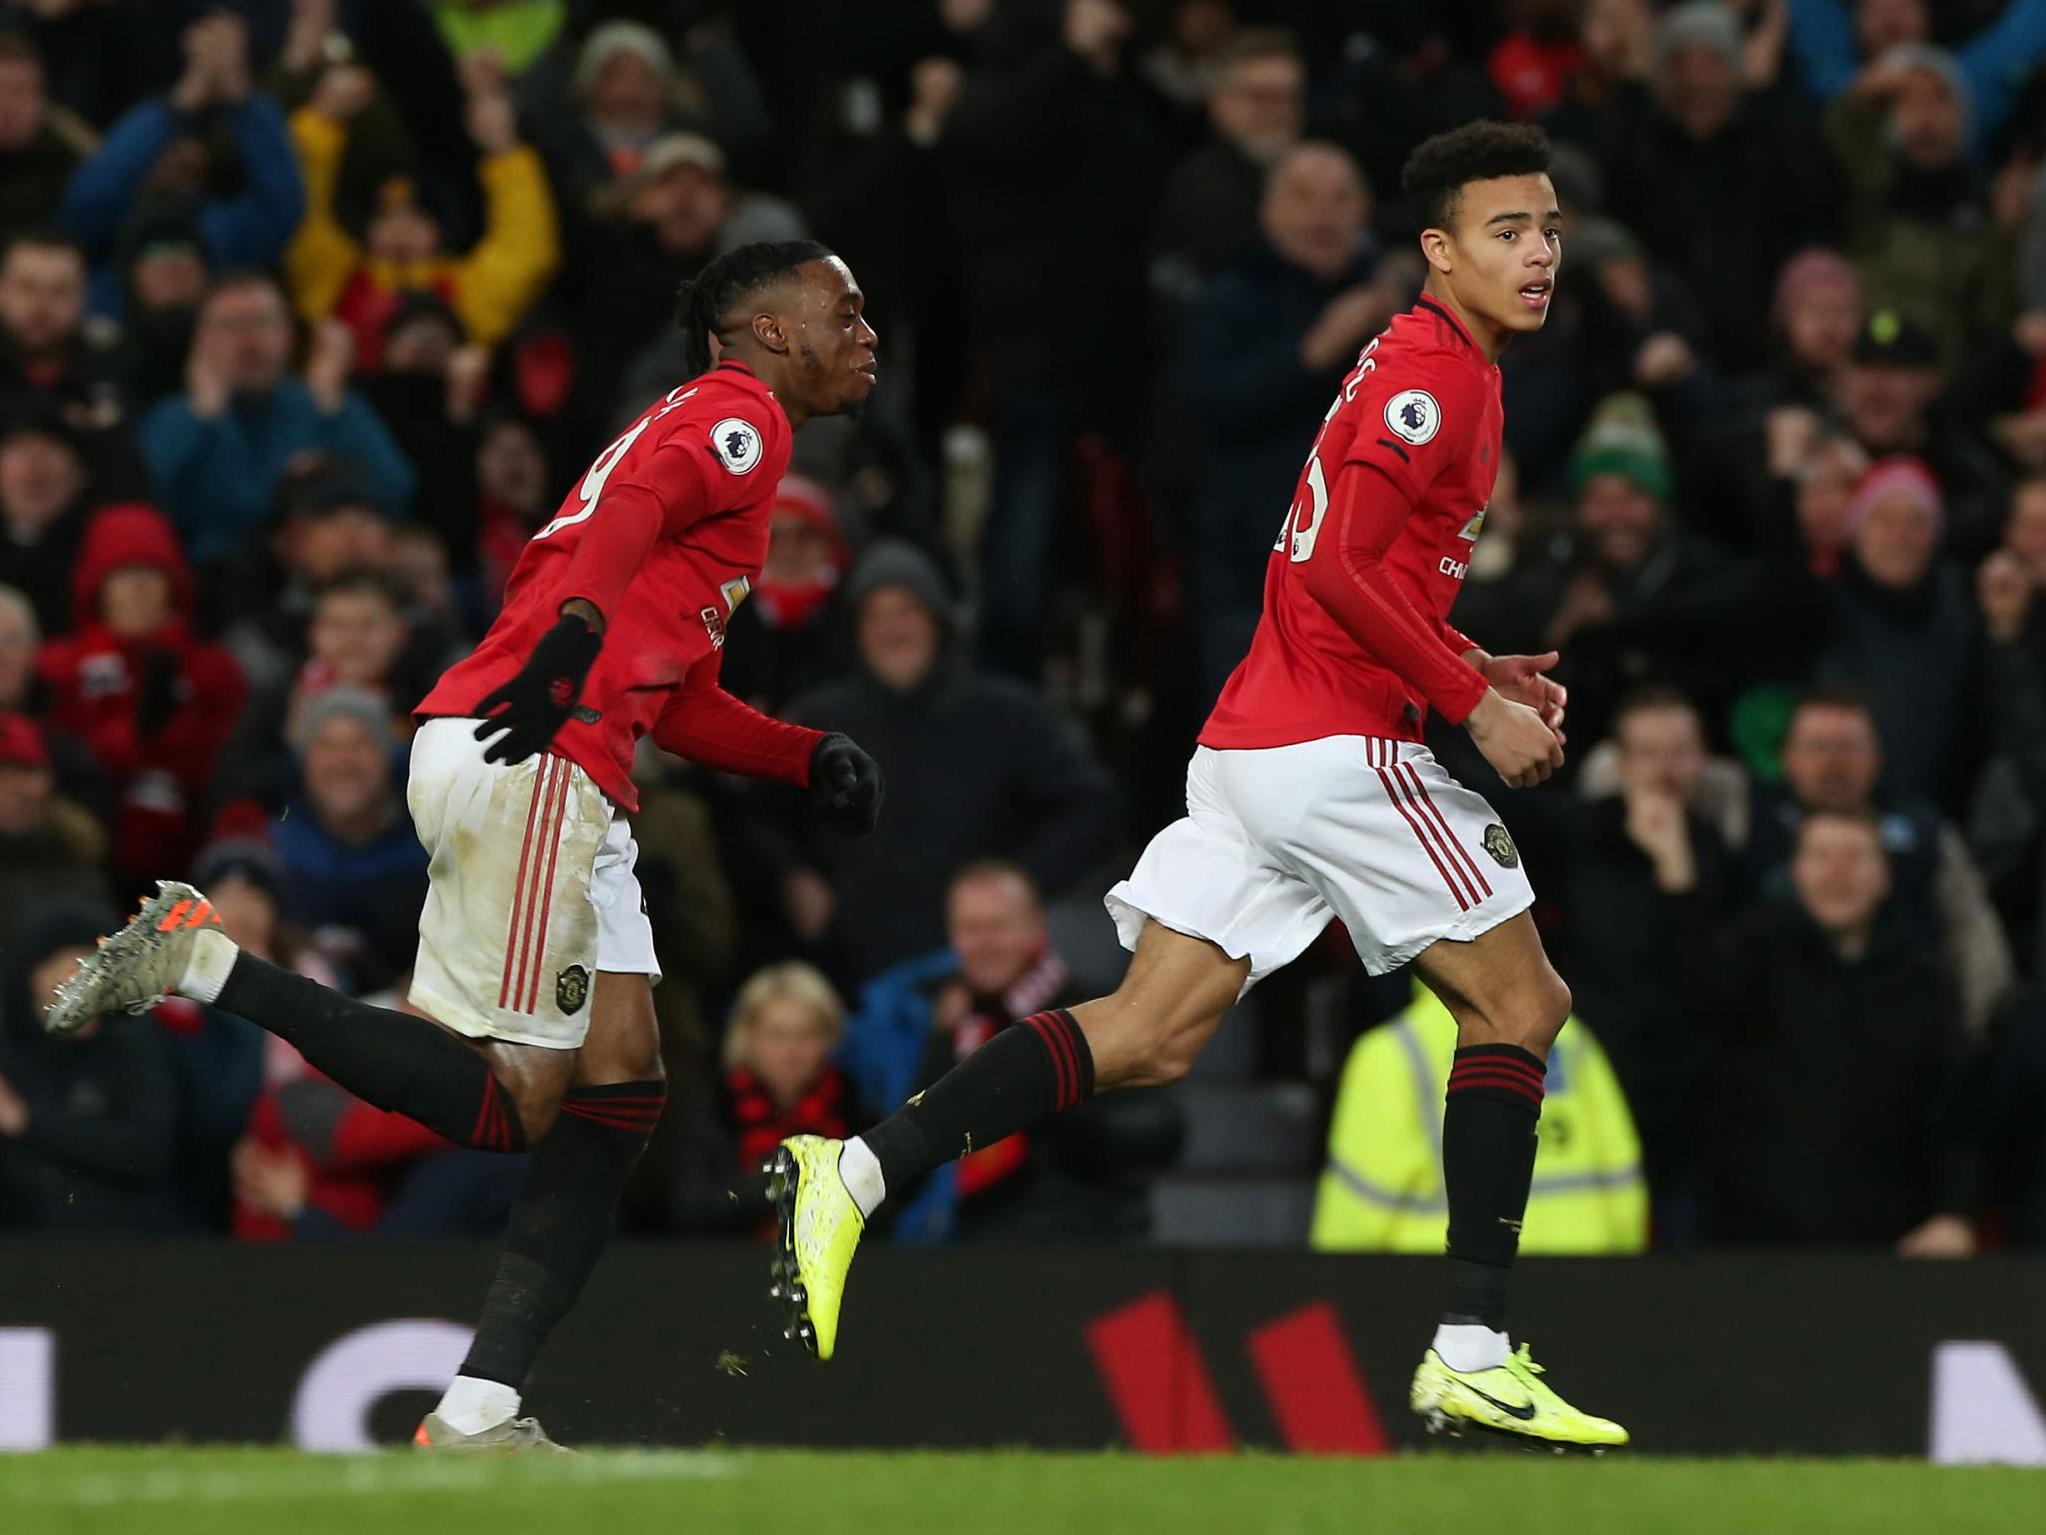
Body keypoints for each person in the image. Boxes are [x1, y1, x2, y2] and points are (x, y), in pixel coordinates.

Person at [770, 122, 1626, 1449]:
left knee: (1146, 1031)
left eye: (1550, 228)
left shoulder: (1433, 367)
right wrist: (1467, 708)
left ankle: (858, 1167)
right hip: (1328, 749)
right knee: (1522, 1000)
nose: (1537, 254)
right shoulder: (1431, 377)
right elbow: (1337, 567)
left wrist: (1467, 654)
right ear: (1437, 250)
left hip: (1252, 748)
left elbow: (1351, 575)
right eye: (1506, 231)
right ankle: (1469, 1344)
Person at [48, 240, 885, 1452]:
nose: (866, 332)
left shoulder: (716, 436)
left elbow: (681, 690)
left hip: (561, 752)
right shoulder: (735, 413)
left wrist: (804, 754)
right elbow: (639, 513)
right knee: (516, 1106)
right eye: (843, 310)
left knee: (624, 1081)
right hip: (541, 751)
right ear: (767, 330)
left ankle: (482, 1405)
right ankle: (203, 961)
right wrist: (575, 635)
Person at [759, 539, 1117, 988]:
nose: (894, 629)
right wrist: (793, 876)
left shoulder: (1006, 714)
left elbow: (1091, 805)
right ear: (856, 629)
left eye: (908, 610)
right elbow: (761, 815)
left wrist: (1018, 886)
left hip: (978, 972)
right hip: (848, 973)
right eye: (877, 614)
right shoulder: (817, 720)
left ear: (938, 621)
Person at [1695, 808, 1978, 1252]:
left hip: (1890, 1250)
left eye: (1856, 857)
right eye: (1822, 856)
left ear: (1885, 877)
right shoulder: (1751, 958)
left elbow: (1953, 1113)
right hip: (1754, 1250)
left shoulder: (1925, 985)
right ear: (1796, 872)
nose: (1837, 874)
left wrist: (1954, 1213)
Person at [1311, 985, 1647, 1256]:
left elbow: (1356, 1214)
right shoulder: (1568, 1036)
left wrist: (1337, 1292)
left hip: (1446, 1290)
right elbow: (1622, 1175)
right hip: (1582, 1281)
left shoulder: (1392, 1053)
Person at [137, 271, 415, 566]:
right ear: (202, 340)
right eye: (230, 326)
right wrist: (207, 421)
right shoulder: (176, 418)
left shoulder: (327, 405)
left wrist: (334, 412)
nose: (249, 339)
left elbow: (396, 493)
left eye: (262, 322)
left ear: (288, 333)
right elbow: (160, 509)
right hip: (216, 581)